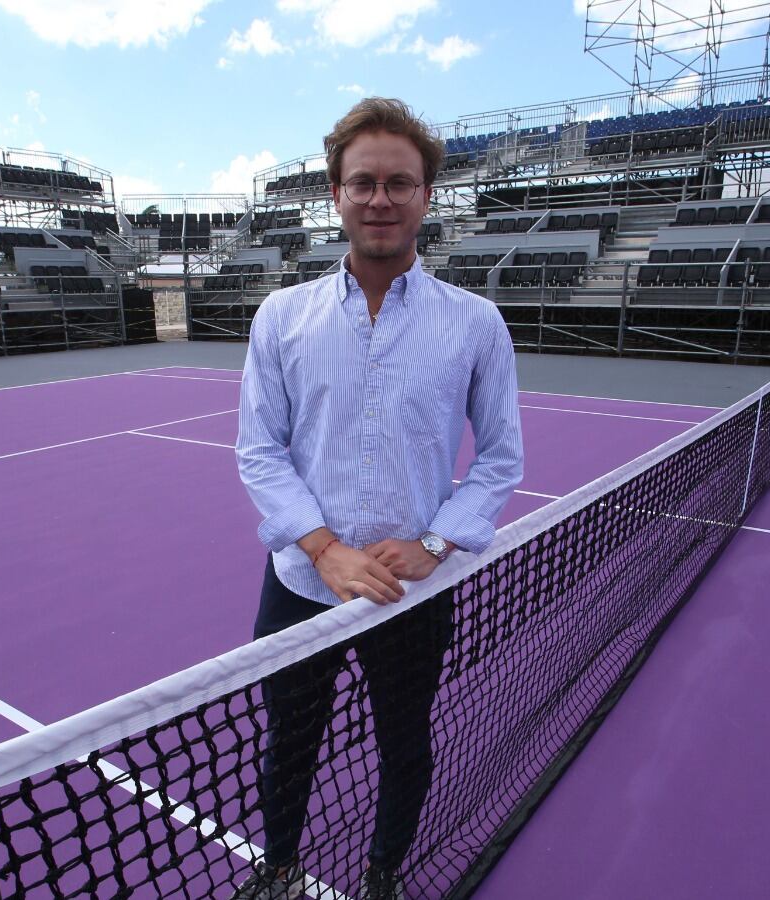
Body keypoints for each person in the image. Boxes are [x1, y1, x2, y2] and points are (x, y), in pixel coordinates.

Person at [232, 97, 525, 900]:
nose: (381, 199)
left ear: (427, 195)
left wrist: (435, 543)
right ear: (336, 195)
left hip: (410, 591)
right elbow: (258, 449)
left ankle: (385, 877)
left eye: (400, 182)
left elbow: (501, 458)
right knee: (288, 743)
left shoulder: (475, 324)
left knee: (405, 744)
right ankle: (280, 870)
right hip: (300, 584)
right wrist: (323, 549)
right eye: (363, 183)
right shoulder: (281, 318)